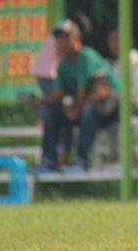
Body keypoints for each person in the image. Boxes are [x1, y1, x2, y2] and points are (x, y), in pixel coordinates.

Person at [28, 18, 120, 172]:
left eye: (66, 38)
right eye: (59, 39)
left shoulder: (86, 57)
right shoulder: (63, 64)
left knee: (87, 111)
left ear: (77, 39)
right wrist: (38, 101)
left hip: (111, 107)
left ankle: (82, 161)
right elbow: (59, 93)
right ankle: (48, 161)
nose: (62, 43)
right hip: (86, 106)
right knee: (52, 112)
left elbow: (85, 90)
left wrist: (75, 110)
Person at [107, 28, 138, 122]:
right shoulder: (116, 63)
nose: (114, 44)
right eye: (111, 40)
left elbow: (137, 87)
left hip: (136, 108)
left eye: (117, 39)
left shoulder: (136, 61)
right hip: (119, 107)